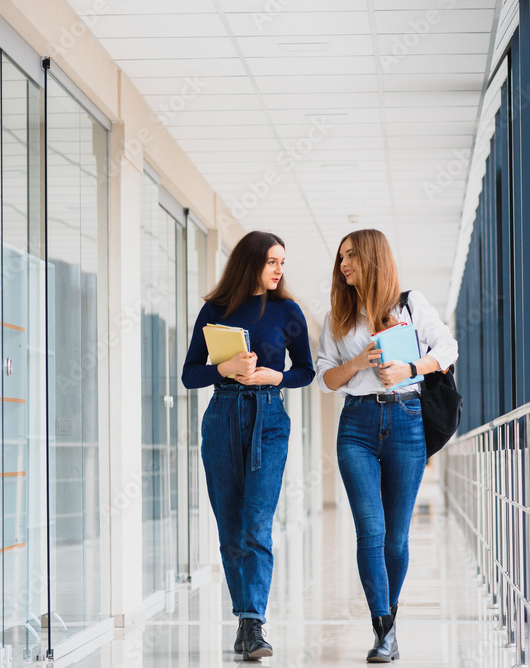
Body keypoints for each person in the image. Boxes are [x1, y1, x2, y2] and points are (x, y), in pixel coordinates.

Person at [315, 229, 458, 663]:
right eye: (341, 257)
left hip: (407, 419)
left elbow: (448, 347)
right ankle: (383, 629)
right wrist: (356, 363)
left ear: (374, 258)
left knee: (395, 537)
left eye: (352, 256)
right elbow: (325, 377)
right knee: (370, 530)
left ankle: (389, 624)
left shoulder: (412, 305)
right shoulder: (336, 317)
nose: (344, 265)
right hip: (356, 424)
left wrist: (410, 368)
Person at [182, 230, 314, 661]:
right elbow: (189, 374)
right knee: (229, 525)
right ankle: (244, 619)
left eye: (282, 262)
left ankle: (254, 623)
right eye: (272, 261)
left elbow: (306, 372)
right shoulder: (215, 309)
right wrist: (225, 367)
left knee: (257, 523)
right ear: (250, 262)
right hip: (222, 417)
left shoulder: (288, 311)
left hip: (269, 419)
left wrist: (273, 376)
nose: (279, 270)